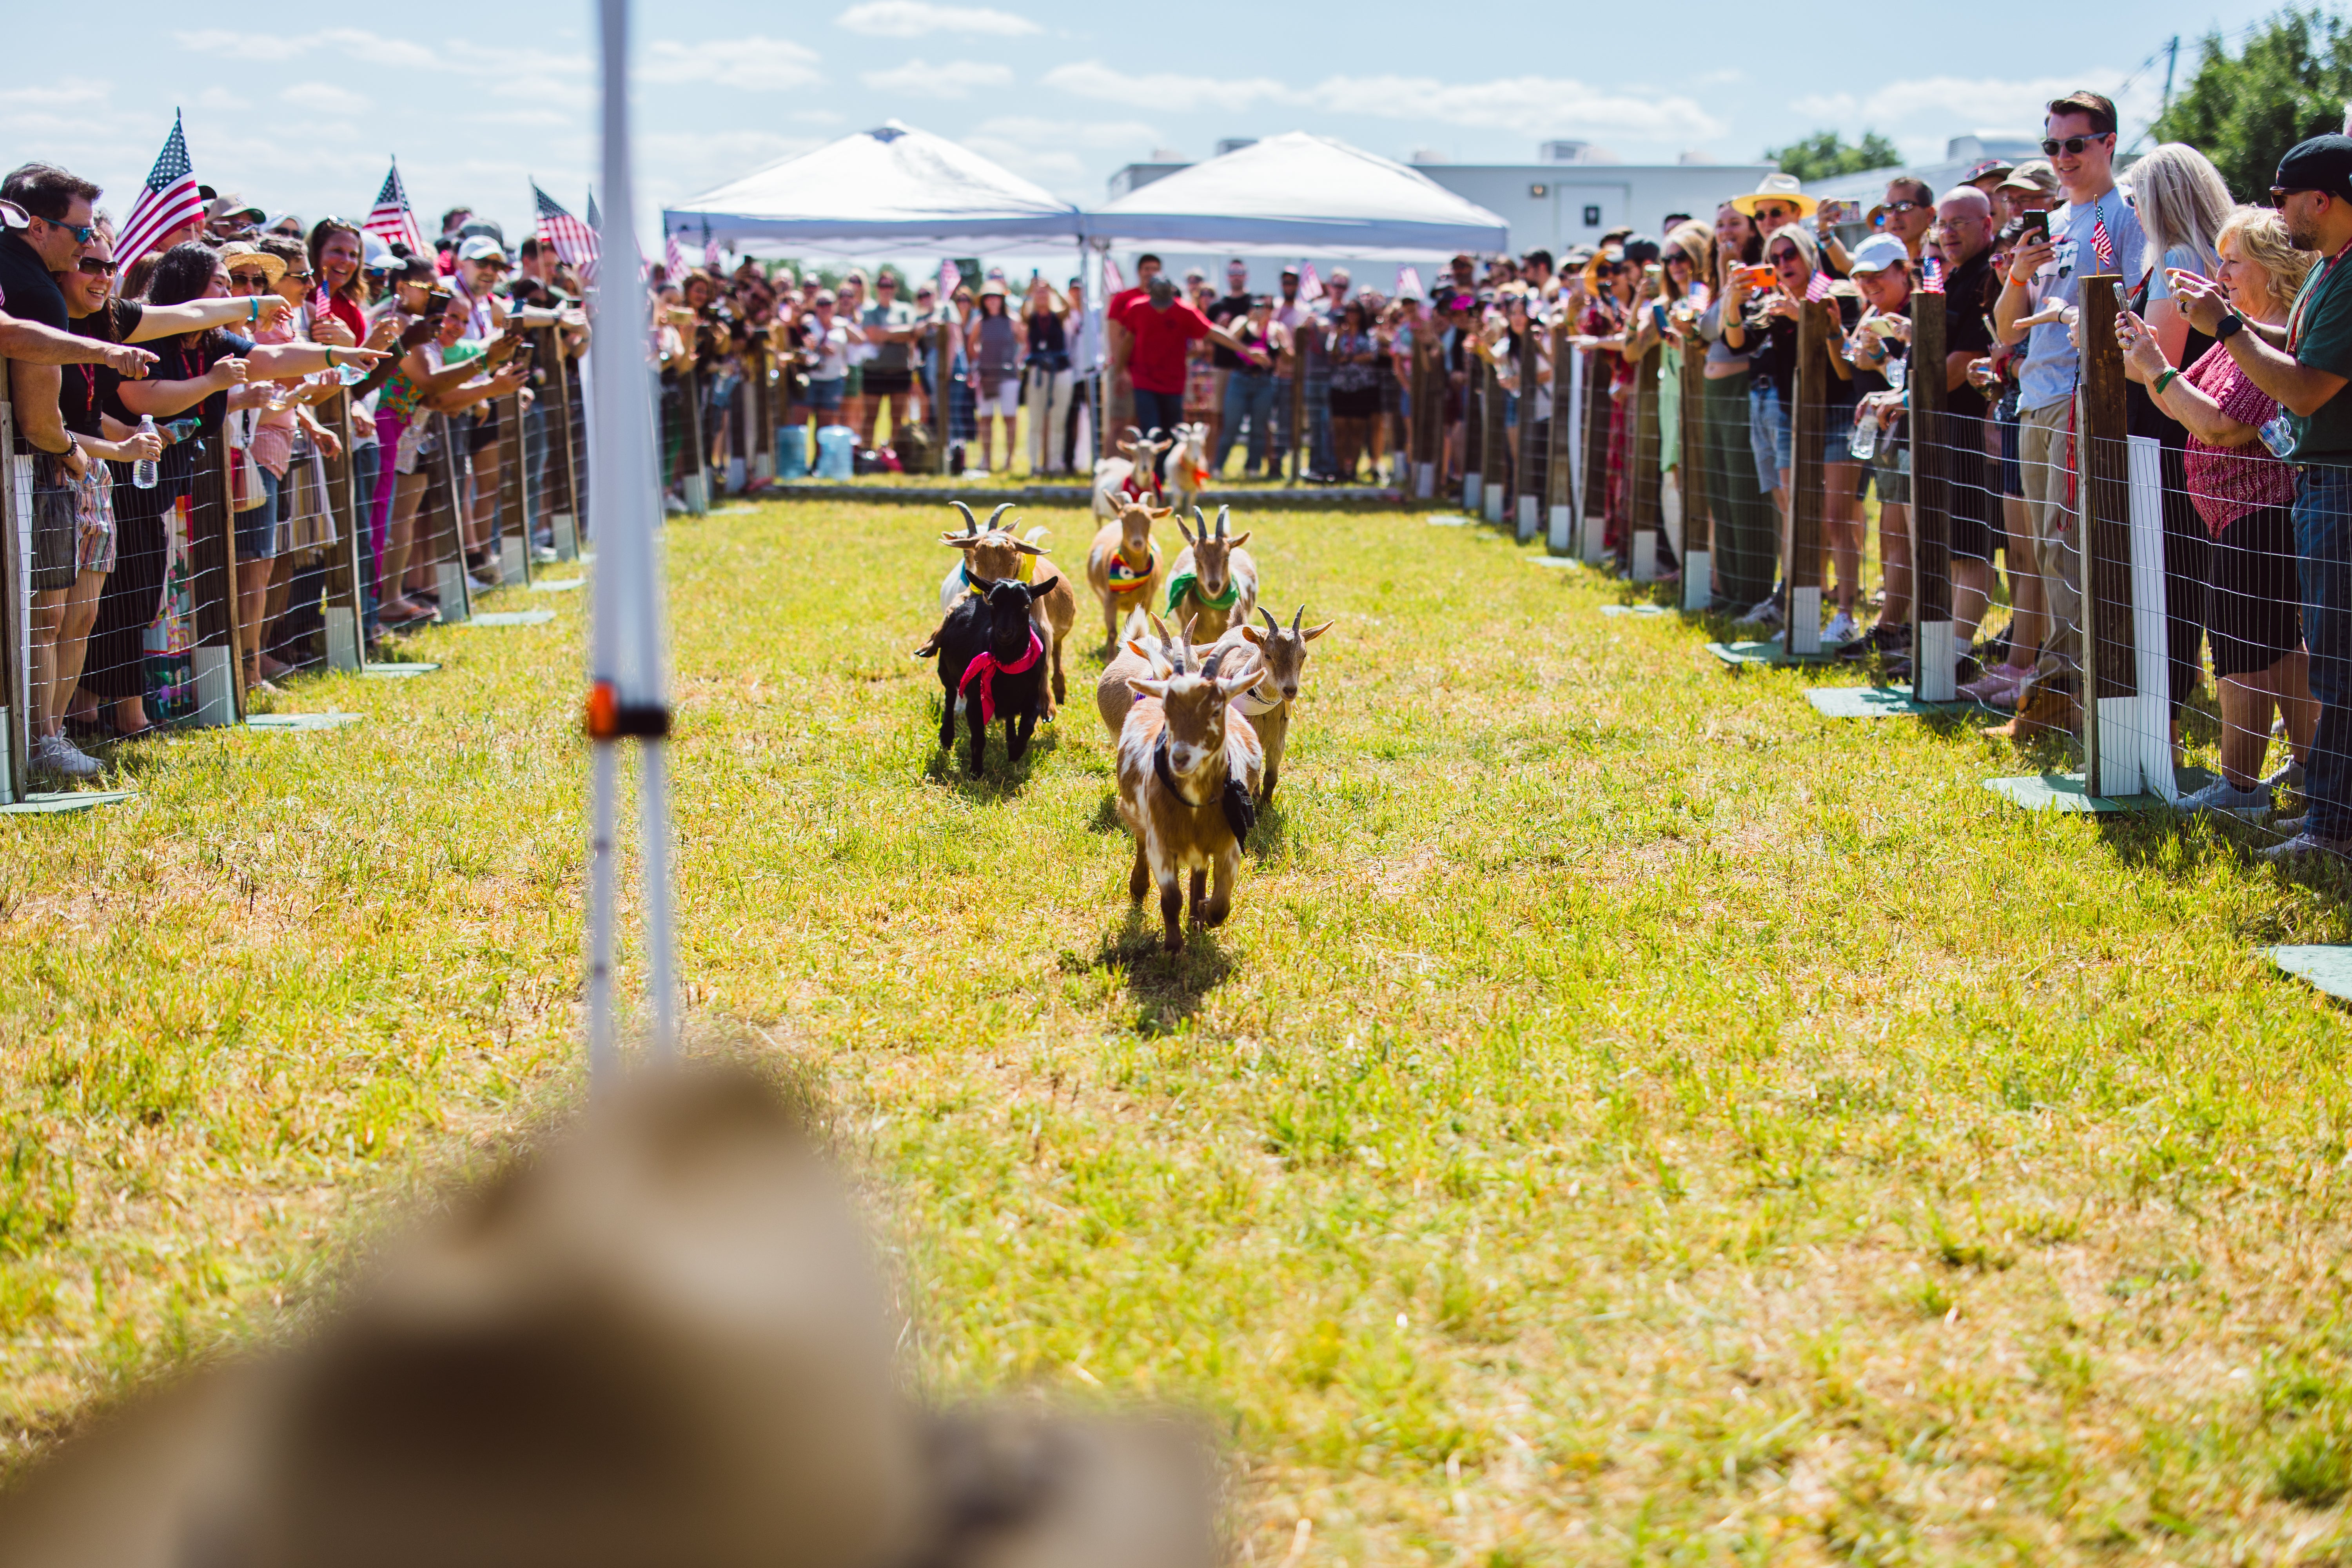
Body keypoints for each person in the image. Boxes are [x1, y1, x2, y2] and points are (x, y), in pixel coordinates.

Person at [2171, 134, 2352, 857]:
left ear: (2323, 200)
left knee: (2334, 667)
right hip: (2320, 488)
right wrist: (2233, 322)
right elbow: (2298, 343)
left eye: (2283, 197)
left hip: (2335, 488)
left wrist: (2225, 329)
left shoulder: (2348, 273)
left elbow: (2302, 387)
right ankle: (2324, 813)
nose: (2278, 212)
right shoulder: (2332, 269)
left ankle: (2329, 828)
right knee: (2327, 660)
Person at [2119, 205, 2317, 817]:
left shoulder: (2270, 340)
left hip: (2260, 513)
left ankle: (2240, 789)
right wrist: (2142, 350)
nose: (2220, 273)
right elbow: (2178, 398)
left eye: (2233, 262)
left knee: (2241, 654)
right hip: (2237, 514)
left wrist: (2158, 368)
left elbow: (2219, 425)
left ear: (2274, 270)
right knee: (2280, 650)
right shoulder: (2246, 335)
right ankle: (2314, 766)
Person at [1994, 90, 2146, 695]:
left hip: (2085, 397)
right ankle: (2064, 683)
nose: (2062, 157)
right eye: (2051, 145)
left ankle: (2068, 689)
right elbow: (2008, 330)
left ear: (2109, 143)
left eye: (2075, 144)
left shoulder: (2127, 215)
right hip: (2035, 397)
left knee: (2068, 545)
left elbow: (2135, 310)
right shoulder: (2052, 223)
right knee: (2046, 547)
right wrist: (2018, 274)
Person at [1697, 201, 1775, 615]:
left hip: (1745, 392)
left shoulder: (1761, 277)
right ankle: (1728, 589)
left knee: (1746, 493)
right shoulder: (1722, 278)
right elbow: (1706, 328)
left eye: (1735, 224)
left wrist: (1732, 286)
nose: (1727, 231)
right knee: (1722, 492)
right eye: (1720, 225)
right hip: (1716, 395)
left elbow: (1732, 334)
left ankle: (1752, 593)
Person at [1112, 274, 1263, 481]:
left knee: (1172, 433)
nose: (1161, 309)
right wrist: (1121, 371)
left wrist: (1247, 351)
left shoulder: (1185, 311)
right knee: (1151, 430)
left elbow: (1214, 332)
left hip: (1174, 383)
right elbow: (1128, 340)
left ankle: (1171, 477)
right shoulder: (1137, 308)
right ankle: (1153, 479)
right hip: (1144, 381)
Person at [1214, 295, 1281, 478]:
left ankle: (1254, 469)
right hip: (1240, 380)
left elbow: (1286, 352)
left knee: (1259, 429)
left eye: (1266, 307)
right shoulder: (1242, 321)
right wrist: (1248, 321)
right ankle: (1218, 468)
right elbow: (1230, 339)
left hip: (1264, 382)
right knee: (1231, 426)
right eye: (1258, 306)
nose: (1262, 310)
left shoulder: (1275, 328)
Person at [964, 280, 1021, 475]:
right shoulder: (979, 322)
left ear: (1002, 299)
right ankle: (986, 459)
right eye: (988, 297)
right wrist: (981, 360)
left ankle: (1009, 460)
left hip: (1008, 377)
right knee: (986, 419)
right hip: (986, 377)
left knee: (1009, 418)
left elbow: (1025, 343)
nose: (992, 301)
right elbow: (971, 346)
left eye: (996, 297)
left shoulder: (1013, 320)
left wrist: (1017, 360)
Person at [860, 270, 921, 447]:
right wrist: (899, 333)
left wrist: (885, 334)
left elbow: (913, 333)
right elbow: (873, 336)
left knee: (897, 418)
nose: (887, 289)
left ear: (896, 288)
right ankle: (867, 453)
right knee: (871, 416)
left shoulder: (906, 309)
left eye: (890, 285)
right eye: (883, 285)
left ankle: (893, 455)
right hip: (874, 371)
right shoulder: (869, 311)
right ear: (877, 288)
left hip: (900, 371)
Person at [1020, 275, 1073, 476]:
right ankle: (1035, 464)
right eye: (1039, 293)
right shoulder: (1031, 318)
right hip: (1038, 371)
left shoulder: (1058, 316)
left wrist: (1054, 289)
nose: (1042, 296)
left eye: (1045, 293)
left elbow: (1069, 308)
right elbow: (1023, 312)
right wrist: (1029, 292)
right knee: (1035, 420)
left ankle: (1054, 464)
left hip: (1060, 370)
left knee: (1058, 420)